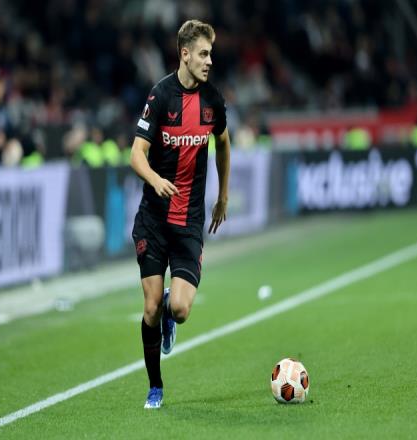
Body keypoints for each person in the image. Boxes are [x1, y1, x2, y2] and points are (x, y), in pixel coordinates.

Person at [130, 19, 231, 409]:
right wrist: (155, 179)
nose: (209, 61)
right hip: (153, 221)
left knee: (180, 310)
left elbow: (223, 143)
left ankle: (172, 309)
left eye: (211, 54)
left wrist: (223, 196)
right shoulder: (160, 96)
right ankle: (155, 386)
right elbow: (136, 153)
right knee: (151, 307)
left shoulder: (213, 100)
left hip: (188, 222)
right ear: (184, 54)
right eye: (203, 54)